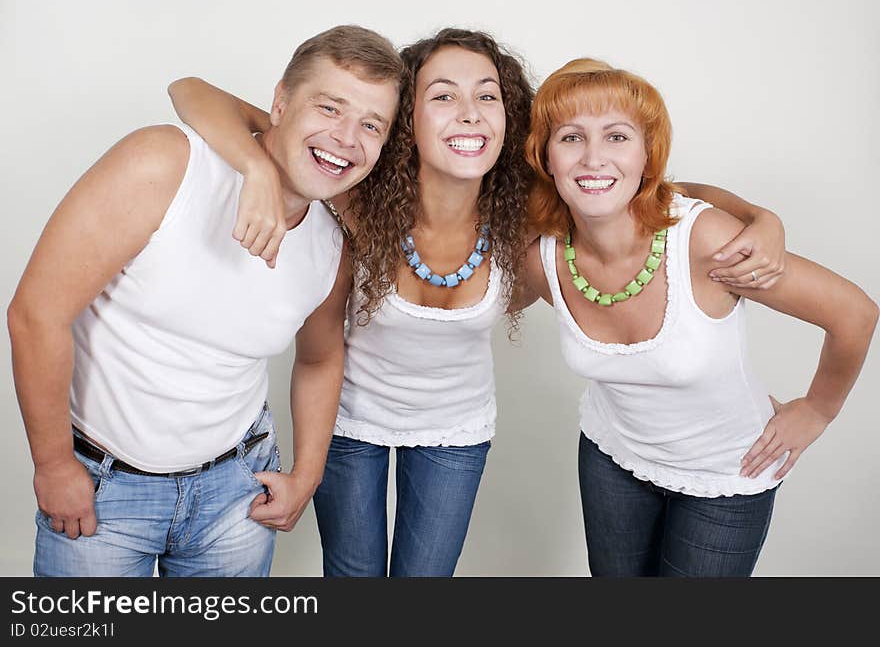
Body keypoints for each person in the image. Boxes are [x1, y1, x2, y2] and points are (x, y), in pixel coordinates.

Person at [167, 29, 787, 577]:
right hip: (350, 424)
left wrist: (761, 216)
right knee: (351, 575)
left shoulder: (527, 222)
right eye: (443, 95)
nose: (469, 113)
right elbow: (191, 91)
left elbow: (645, 190)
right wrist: (252, 167)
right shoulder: (353, 191)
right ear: (407, 118)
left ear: (508, 117)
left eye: (487, 95)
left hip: (455, 434)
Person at [7, 25, 402, 577]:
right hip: (101, 490)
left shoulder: (331, 247)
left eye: (370, 125)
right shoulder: (166, 164)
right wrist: (52, 465)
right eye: (330, 108)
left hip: (235, 499)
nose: (346, 137)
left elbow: (320, 357)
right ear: (280, 103)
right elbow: (35, 314)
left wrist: (307, 474)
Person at [519, 58, 878, 576]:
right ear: (547, 158)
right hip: (611, 457)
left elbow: (855, 313)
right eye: (571, 138)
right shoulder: (545, 258)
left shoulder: (702, 240)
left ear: (647, 156)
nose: (594, 158)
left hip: (724, 479)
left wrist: (818, 410)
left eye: (616, 137)